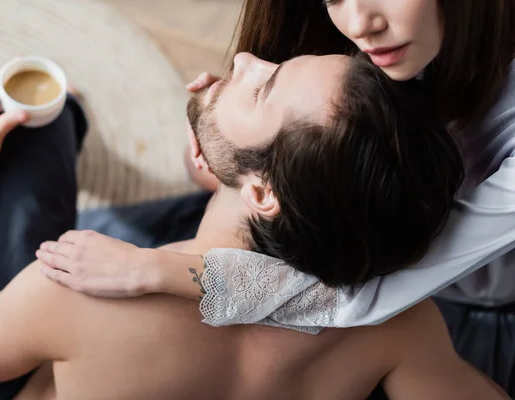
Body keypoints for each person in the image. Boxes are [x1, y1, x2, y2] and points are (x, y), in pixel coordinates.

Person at [0, 53, 505, 399]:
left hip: (14, 364)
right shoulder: (403, 326)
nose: (245, 60)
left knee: (31, 127)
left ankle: (37, 140)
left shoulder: (72, 295)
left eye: (260, 88)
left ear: (260, 192)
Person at [38, 1, 515, 394]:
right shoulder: (356, 48)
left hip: (419, 296)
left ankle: (53, 128)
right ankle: (57, 127)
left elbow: (359, 292)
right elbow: (235, 176)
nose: (358, 25)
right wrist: (216, 138)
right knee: (81, 253)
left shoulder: (408, 325)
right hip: (282, 234)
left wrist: (154, 271)